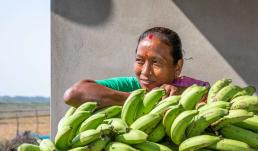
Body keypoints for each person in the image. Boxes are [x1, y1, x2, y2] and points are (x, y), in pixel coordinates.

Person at [64, 27, 209, 108]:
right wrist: (143, 100)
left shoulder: (195, 89)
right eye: (140, 61)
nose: (145, 72)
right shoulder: (129, 86)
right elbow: (73, 95)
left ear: (178, 66)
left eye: (156, 62)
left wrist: (183, 95)